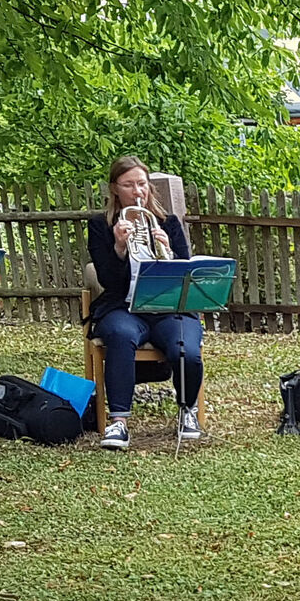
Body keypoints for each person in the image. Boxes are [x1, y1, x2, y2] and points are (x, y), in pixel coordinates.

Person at [85, 156, 206, 450]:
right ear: (115, 189)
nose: (137, 192)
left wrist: (169, 252)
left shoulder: (169, 223)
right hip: (123, 307)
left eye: (142, 184)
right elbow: (108, 279)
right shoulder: (101, 226)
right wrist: (119, 247)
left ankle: (187, 411)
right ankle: (119, 423)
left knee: (186, 349)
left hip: (169, 308)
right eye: (128, 185)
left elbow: (183, 274)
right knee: (120, 335)